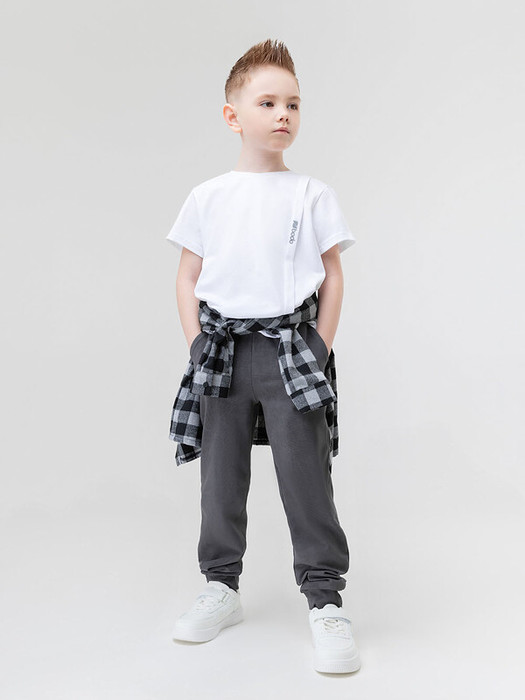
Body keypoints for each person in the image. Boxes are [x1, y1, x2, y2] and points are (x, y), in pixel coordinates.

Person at [166, 38, 361, 674]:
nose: (283, 115)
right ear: (233, 116)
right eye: (268, 102)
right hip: (222, 352)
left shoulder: (312, 193)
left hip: (291, 353)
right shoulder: (208, 196)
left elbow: (333, 275)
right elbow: (187, 277)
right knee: (220, 476)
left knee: (306, 477)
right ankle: (220, 586)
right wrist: (198, 343)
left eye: (293, 104)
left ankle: (325, 600)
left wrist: (319, 345)